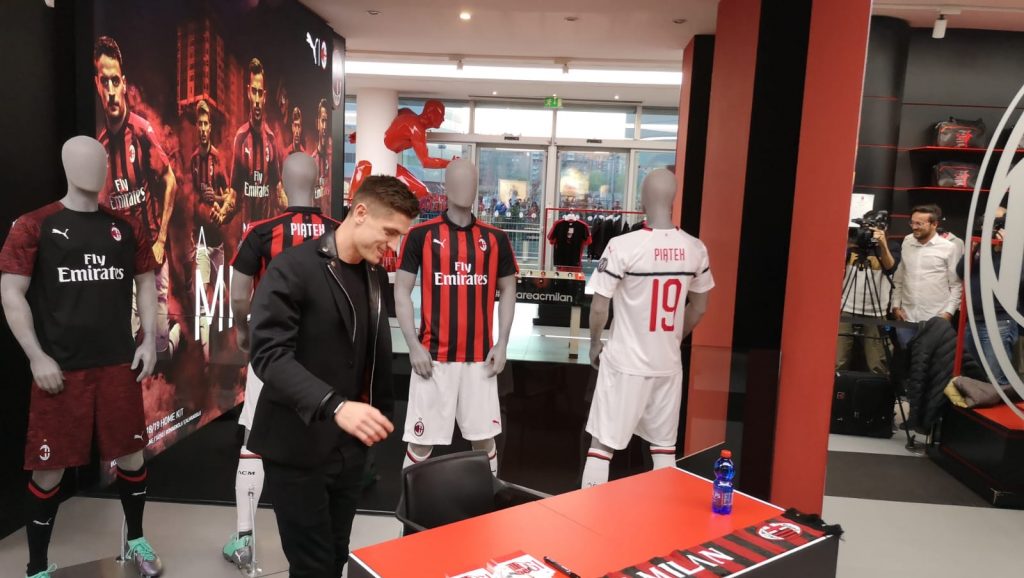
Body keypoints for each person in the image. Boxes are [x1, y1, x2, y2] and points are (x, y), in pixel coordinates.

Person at [0, 136, 163, 578]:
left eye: (100, 160)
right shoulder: (35, 225)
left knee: (131, 456)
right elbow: (11, 293)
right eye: (83, 160)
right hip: (61, 369)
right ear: (66, 166)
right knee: (49, 469)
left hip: (117, 365)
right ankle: (37, 566)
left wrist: (149, 340)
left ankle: (137, 540)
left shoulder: (125, 226)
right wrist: (36, 356)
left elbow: (146, 280)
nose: (94, 167)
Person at [246, 175, 419, 577]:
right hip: (297, 447)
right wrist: (336, 406)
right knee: (313, 566)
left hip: (349, 452)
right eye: (389, 232)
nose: (394, 247)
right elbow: (269, 355)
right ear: (360, 213)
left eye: (399, 236)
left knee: (337, 555)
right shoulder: (293, 268)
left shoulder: (374, 275)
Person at [221, 153, 342, 568]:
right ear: (319, 184)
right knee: (325, 440)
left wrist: (243, 330)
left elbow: (239, 294)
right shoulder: (338, 232)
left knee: (255, 440)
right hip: (325, 359)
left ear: (282, 186)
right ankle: (324, 538)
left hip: (273, 355)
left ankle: (244, 539)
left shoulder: (261, 231)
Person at [581, 169, 713, 488]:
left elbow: (599, 307)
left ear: (642, 199)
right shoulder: (695, 248)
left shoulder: (622, 245)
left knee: (602, 446)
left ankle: (586, 512)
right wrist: (673, 339)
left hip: (625, 363)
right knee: (664, 448)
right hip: (667, 365)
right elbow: (699, 306)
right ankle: (663, 515)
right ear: (672, 199)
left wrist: (595, 343)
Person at [396, 159, 518, 476]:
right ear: (446, 188)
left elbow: (509, 289)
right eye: (459, 181)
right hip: (433, 358)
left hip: (481, 360)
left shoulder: (496, 238)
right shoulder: (420, 235)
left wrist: (502, 344)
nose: (467, 188)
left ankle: (488, 504)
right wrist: (413, 345)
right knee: (420, 443)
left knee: (484, 441)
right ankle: (408, 507)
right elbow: (401, 291)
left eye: (472, 181)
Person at [94, 35, 180, 360]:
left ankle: (173, 337)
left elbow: (170, 182)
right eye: (104, 81)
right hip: (123, 260)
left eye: (116, 80)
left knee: (159, 347)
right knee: (128, 341)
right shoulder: (99, 147)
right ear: (97, 84)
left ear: (124, 83)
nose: (111, 89)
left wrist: (161, 240)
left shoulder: (142, 132)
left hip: (152, 256)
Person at [957, 207, 1021, 386]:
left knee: (997, 379)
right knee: (974, 376)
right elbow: (961, 272)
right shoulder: (980, 245)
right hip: (973, 319)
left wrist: (1003, 250)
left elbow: (1011, 281)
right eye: (986, 218)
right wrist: (973, 249)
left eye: (995, 220)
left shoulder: (1015, 247)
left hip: (998, 320)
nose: (988, 223)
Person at [221, 58, 288, 228]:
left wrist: (294, 213)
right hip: (246, 233)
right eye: (254, 92)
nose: (257, 99)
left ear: (264, 96)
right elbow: (234, 194)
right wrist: (221, 215)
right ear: (248, 93)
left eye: (260, 93)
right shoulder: (240, 138)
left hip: (266, 232)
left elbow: (279, 192)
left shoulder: (271, 140)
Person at [189, 99, 230, 359]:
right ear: (196, 126)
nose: (203, 128)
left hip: (218, 242)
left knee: (221, 297)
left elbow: (230, 196)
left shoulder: (218, 158)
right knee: (202, 297)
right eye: (200, 124)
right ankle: (206, 361)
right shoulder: (193, 160)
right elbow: (191, 197)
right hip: (201, 242)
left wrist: (217, 200)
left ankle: (221, 350)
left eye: (206, 124)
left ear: (211, 127)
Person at [348, 99, 451, 199]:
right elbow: (426, 162)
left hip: (382, 159)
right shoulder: (417, 129)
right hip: (377, 159)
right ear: (431, 114)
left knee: (421, 191)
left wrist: (360, 134)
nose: (443, 119)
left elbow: (381, 122)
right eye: (441, 115)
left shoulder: (407, 112)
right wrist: (450, 163)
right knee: (421, 191)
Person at [836, 211, 900, 374]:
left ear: (883, 228)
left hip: (876, 311)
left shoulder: (892, 246)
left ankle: (879, 389)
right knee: (837, 359)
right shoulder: (853, 244)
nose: (867, 231)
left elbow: (890, 267)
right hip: (847, 307)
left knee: (878, 363)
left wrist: (882, 245)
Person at [892, 204, 962, 346]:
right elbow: (899, 278)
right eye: (912, 222)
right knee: (907, 357)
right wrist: (895, 305)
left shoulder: (949, 247)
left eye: (919, 223)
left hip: (936, 319)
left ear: (934, 224)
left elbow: (956, 285)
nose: (914, 227)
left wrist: (948, 313)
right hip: (906, 317)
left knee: (934, 359)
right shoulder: (907, 242)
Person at [311, 98, 332, 214]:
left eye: (326, 121)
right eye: (322, 121)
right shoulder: (312, 162)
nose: (324, 126)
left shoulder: (333, 159)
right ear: (317, 123)